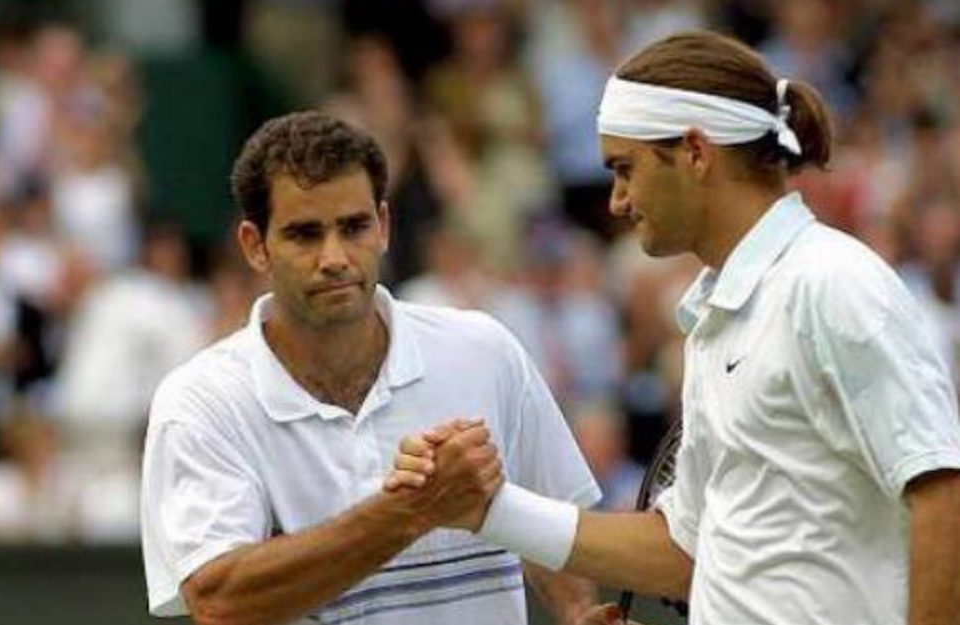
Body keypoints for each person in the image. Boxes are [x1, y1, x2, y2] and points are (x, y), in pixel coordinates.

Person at [388, 31, 960, 625]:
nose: (616, 200)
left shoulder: (832, 282)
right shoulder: (718, 318)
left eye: (625, 168)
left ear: (693, 151)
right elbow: (686, 549)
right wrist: (489, 509)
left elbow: (943, 493)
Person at [140, 111, 602, 625]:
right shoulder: (201, 400)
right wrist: (413, 509)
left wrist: (579, 611)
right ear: (255, 246)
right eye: (304, 235)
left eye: (354, 227)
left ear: (383, 226)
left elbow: (556, 525)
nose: (334, 257)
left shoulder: (485, 350)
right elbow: (219, 601)